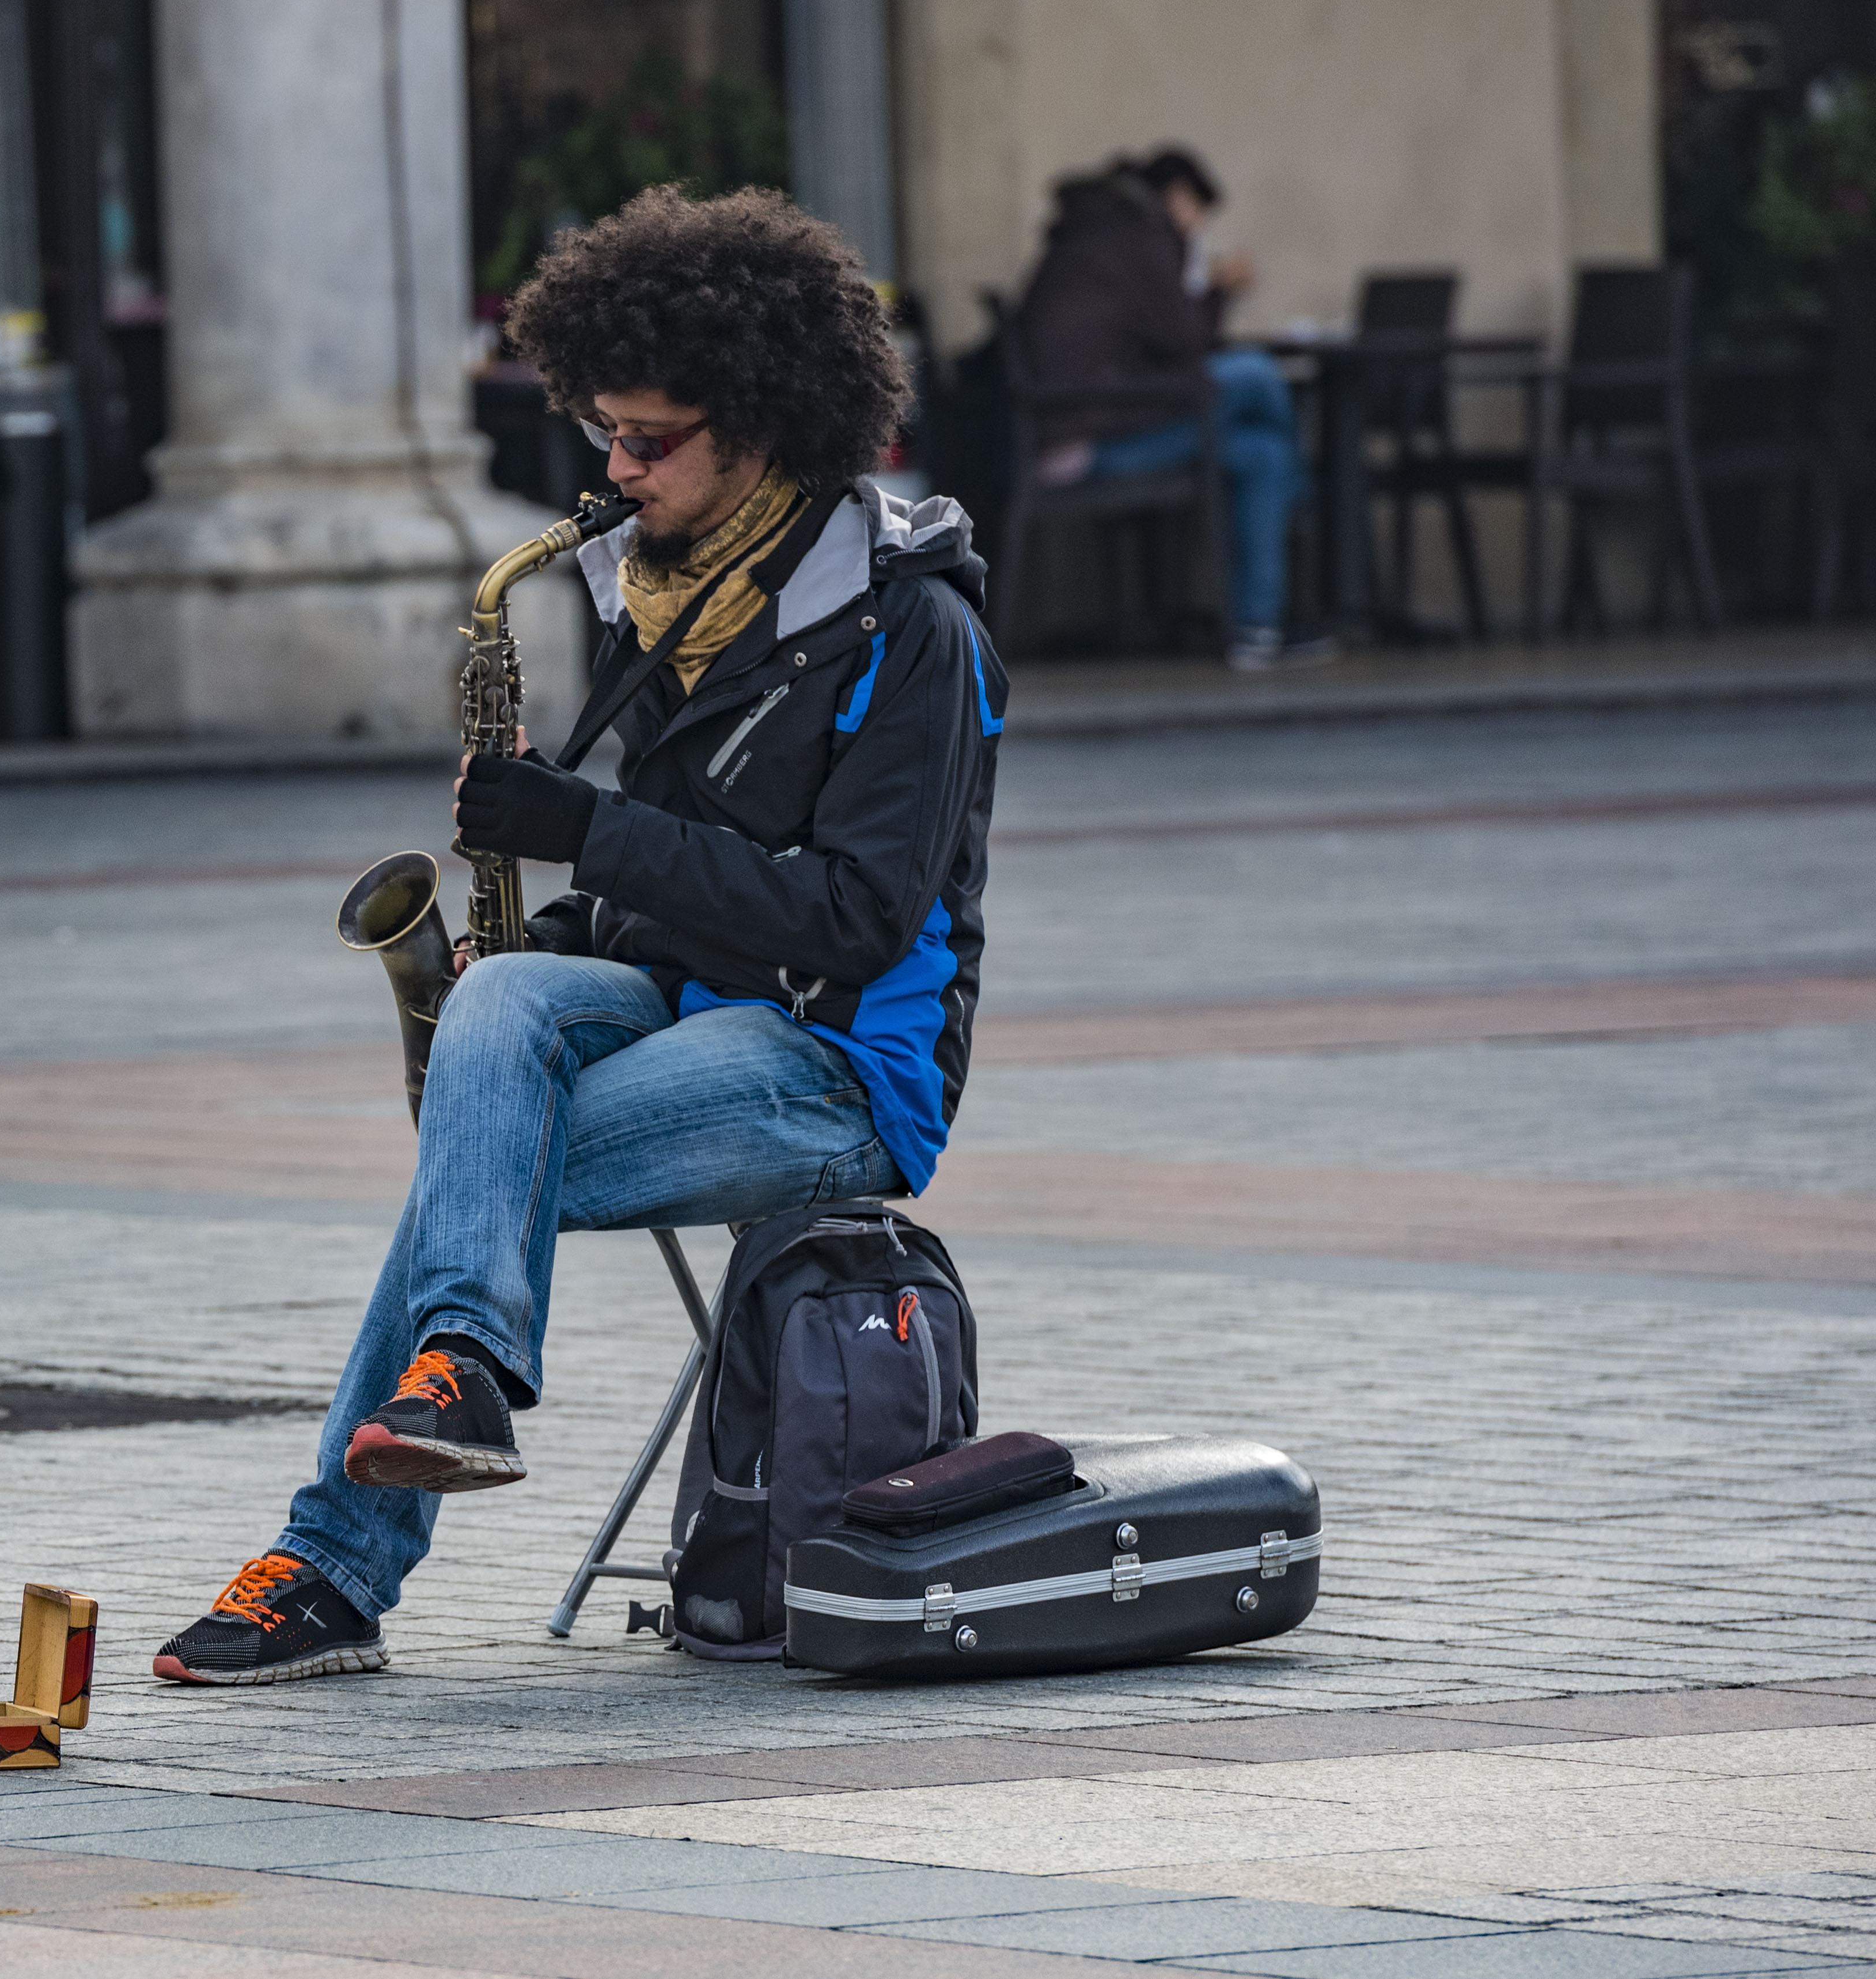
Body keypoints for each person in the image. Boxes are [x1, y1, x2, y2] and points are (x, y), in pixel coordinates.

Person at [154, 187, 1006, 1685]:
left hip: (837, 1056)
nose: (612, 472)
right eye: (600, 433)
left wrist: (585, 827)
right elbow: (652, 889)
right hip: (684, 1004)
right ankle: (462, 1377)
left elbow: (859, 918)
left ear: (764, 428)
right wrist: (543, 925)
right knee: (506, 1012)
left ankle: (338, 1562)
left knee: (478, 1164)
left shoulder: (911, 630)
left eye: (649, 441)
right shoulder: (658, 591)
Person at [1012, 146, 1329, 673]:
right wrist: (1219, 289)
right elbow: (1185, 339)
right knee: (1252, 375)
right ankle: (1306, 503)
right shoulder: (1135, 237)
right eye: (1198, 214)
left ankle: (1256, 630)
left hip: (1085, 422)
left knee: (1262, 453)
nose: (1198, 228)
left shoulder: (1094, 231)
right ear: (1179, 197)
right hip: (1084, 436)